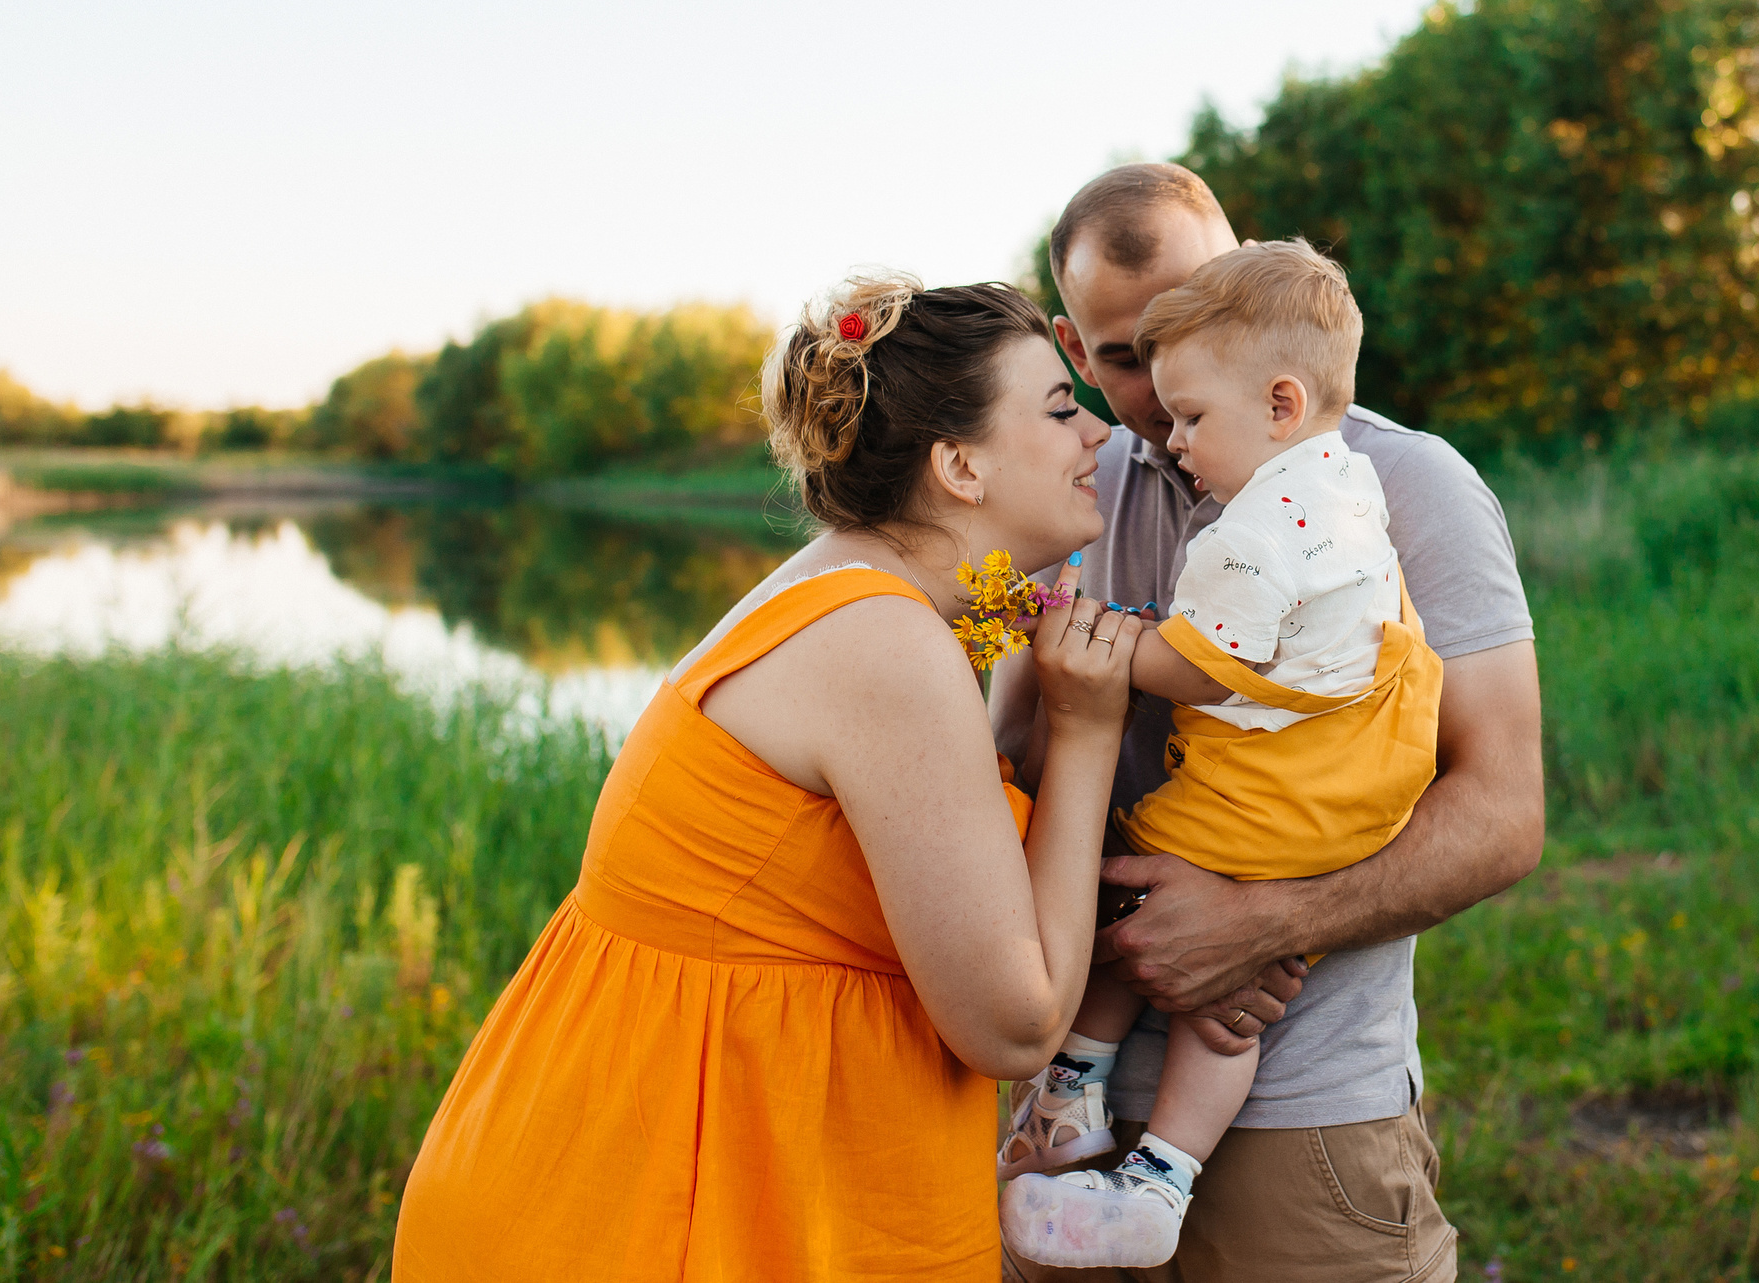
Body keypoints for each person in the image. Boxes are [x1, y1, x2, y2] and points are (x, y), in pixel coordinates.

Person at [394, 276, 1153, 1282]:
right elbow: (1013, 1020)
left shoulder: (847, 595)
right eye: (1060, 408)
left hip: (644, 1155)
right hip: (667, 1201)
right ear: (960, 464)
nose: (1097, 431)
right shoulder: (880, 639)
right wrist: (1089, 727)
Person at [990, 165, 1545, 1283]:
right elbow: (1013, 764)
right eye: (1122, 355)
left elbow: (1502, 813)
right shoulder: (1068, 491)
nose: (1159, 385)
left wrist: (1267, 919)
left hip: (1301, 1114)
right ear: (1068, 343)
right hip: (1061, 1099)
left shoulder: (1400, 486)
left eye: (1196, 319)